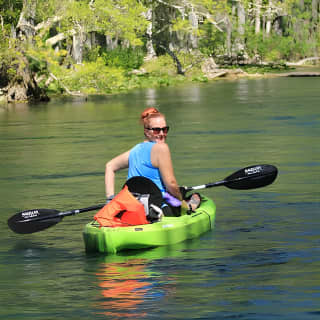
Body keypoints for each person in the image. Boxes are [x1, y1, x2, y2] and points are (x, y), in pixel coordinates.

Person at [105, 107, 200, 216]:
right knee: (196, 197)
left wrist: (110, 200)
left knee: (180, 190)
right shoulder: (161, 148)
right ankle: (190, 207)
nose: (161, 133)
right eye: (156, 130)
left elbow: (110, 166)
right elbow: (171, 184)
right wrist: (181, 200)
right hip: (158, 208)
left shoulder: (134, 150)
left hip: (132, 208)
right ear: (146, 131)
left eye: (165, 129)